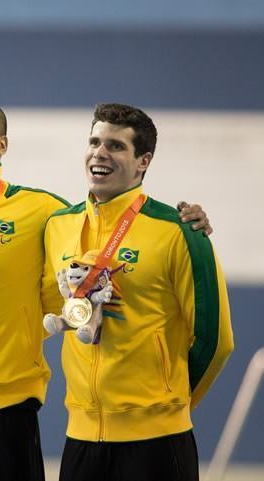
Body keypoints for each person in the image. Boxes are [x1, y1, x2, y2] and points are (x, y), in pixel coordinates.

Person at [0, 96, 212, 481]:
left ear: (1, 144)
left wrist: (192, 221)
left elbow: (106, 224)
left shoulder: (43, 212)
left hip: (9, 405)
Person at [41, 103, 233, 481]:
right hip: (79, 437)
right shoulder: (58, 226)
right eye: (94, 141)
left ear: (143, 161)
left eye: (115, 146)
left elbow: (216, 339)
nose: (99, 153)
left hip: (157, 441)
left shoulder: (178, 231)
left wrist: (168, 402)